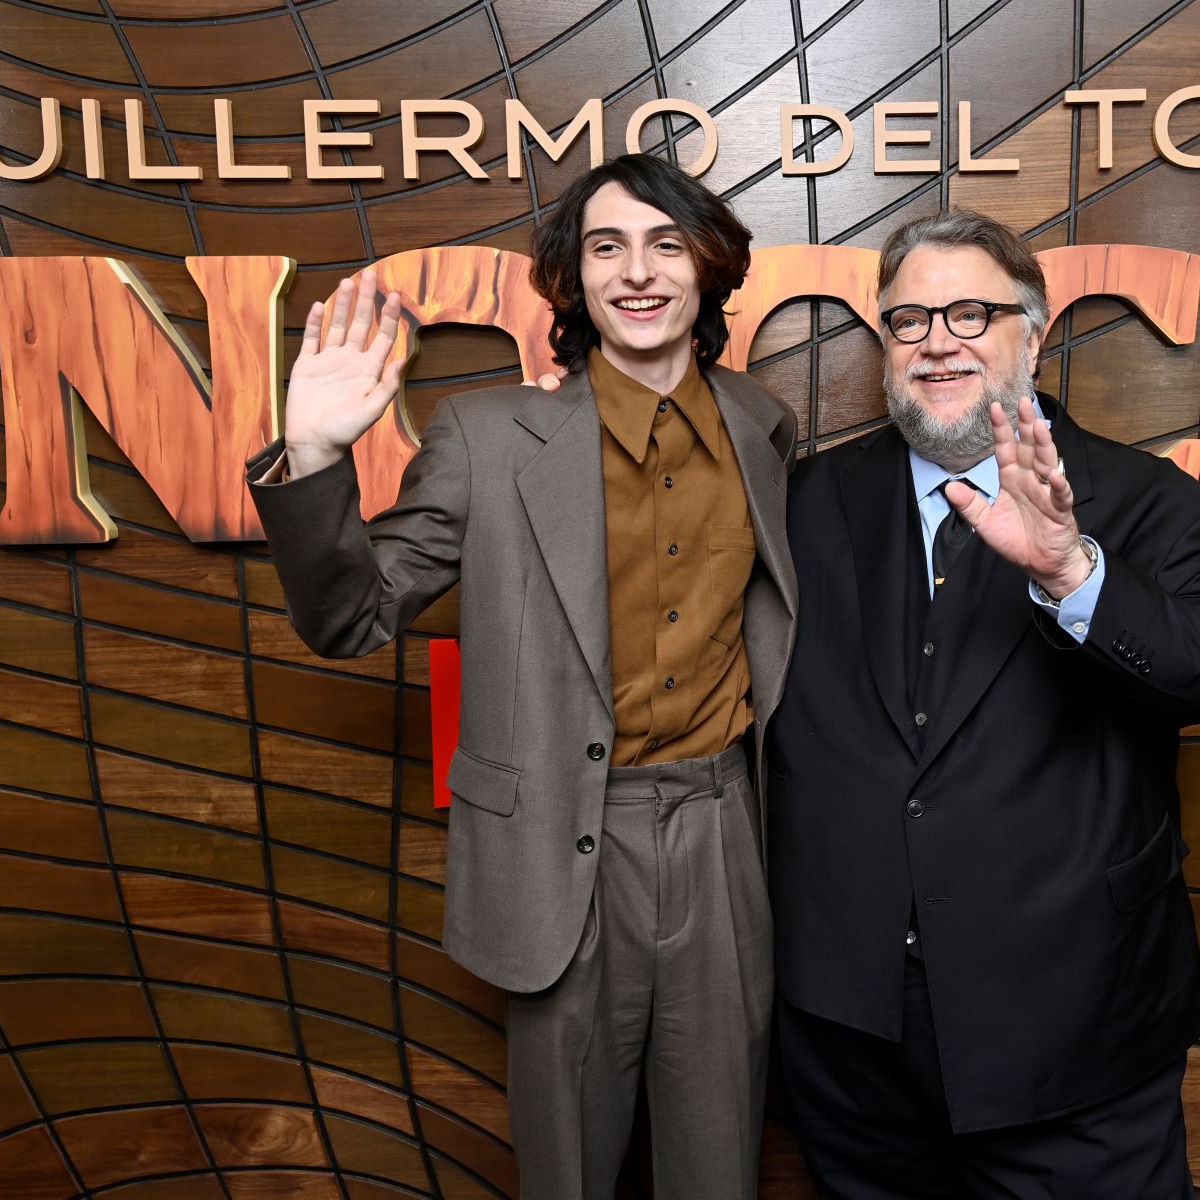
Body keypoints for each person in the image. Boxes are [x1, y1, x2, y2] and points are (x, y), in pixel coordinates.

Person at [245, 154, 797, 1200]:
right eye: (606, 247)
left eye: (666, 244)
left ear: (710, 267)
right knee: (568, 1173)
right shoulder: (486, 437)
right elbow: (351, 618)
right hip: (563, 843)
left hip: (728, 832)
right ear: (573, 278)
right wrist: (313, 455)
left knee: (722, 1160)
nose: (637, 272)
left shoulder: (763, 427)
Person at [765, 208, 1200, 1197]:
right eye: (909, 321)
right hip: (853, 1038)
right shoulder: (802, 502)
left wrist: (1072, 570)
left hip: (1074, 1024)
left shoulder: (1142, 499)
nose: (936, 340)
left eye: (970, 313)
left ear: (1031, 333)